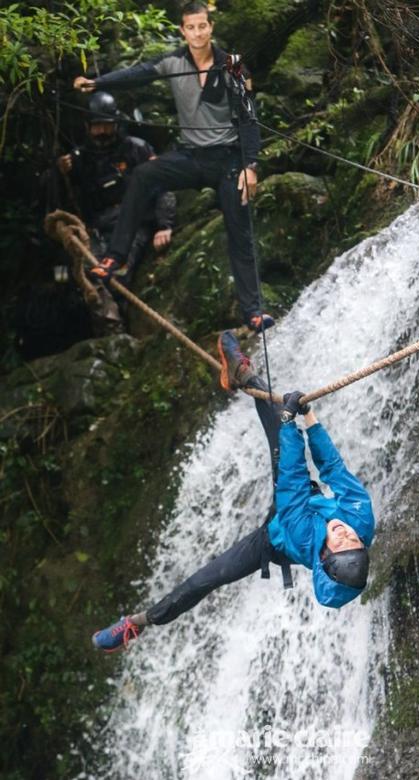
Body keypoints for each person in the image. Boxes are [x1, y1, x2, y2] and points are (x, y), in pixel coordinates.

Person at [92, 331, 375, 652]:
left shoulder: (303, 537)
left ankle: (137, 622)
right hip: (304, 501)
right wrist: (309, 418)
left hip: (275, 536)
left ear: (325, 557)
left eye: (341, 545)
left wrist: (289, 423)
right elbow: (334, 471)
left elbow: (292, 479)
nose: (345, 535)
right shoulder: (361, 518)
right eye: (354, 541)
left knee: (206, 579)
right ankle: (241, 372)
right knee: (272, 402)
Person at [72, 1, 274, 334]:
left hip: (227, 161)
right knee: (143, 174)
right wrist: (98, 84)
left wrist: (250, 166)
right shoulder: (173, 62)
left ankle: (252, 311)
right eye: (190, 27)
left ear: (211, 27)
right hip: (191, 158)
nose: (197, 32)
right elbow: (136, 75)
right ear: (183, 30)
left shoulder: (233, 65)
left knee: (240, 230)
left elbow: (249, 120)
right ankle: (115, 256)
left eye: (202, 26)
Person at [56, 90, 176, 289]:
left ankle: (117, 314)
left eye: (107, 125)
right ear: (88, 127)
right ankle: (107, 316)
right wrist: (60, 173)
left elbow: (163, 186)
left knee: (116, 275)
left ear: (116, 124)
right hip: (99, 227)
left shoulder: (136, 149)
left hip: (133, 223)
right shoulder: (79, 158)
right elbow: (64, 200)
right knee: (86, 274)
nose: (102, 131)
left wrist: (165, 226)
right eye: (97, 126)